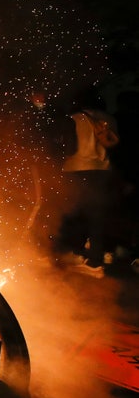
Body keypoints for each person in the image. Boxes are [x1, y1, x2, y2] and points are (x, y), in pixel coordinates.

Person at [54, 105, 118, 278]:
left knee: (74, 212)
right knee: (97, 215)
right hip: (102, 169)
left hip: (76, 168)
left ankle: (75, 253)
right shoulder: (108, 118)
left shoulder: (73, 118)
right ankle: (96, 259)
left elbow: (68, 147)